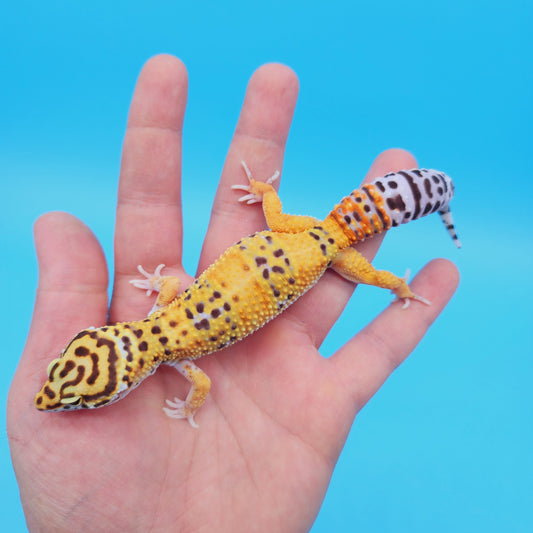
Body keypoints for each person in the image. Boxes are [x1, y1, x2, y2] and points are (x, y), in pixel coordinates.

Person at [7, 54, 459, 532]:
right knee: (354, 260)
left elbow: (202, 385)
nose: (63, 398)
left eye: (83, 398)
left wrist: (189, 407)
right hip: (297, 232)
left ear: (127, 377)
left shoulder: (180, 357)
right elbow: (172, 290)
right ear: (109, 340)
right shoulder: (162, 313)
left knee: (370, 275)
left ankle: (405, 275)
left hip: (321, 250)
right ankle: (416, 241)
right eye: (81, 396)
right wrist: (262, 198)